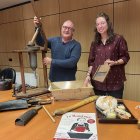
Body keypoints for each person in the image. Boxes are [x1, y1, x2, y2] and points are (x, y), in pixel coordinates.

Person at [84, 12, 130, 99]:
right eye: (97, 24)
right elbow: (91, 62)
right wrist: (87, 76)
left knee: (114, 108)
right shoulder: (94, 43)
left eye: (102, 23)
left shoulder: (118, 39)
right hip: (98, 83)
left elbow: (125, 57)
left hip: (115, 82)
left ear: (108, 24)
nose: (100, 26)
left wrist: (115, 62)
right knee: (100, 108)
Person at [33, 16, 81, 82]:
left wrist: (52, 61)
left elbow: (71, 62)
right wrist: (37, 27)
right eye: (65, 27)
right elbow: (40, 42)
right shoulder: (54, 40)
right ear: (61, 28)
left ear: (73, 31)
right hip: (53, 80)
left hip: (68, 82)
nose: (66, 30)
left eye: (69, 28)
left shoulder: (76, 45)